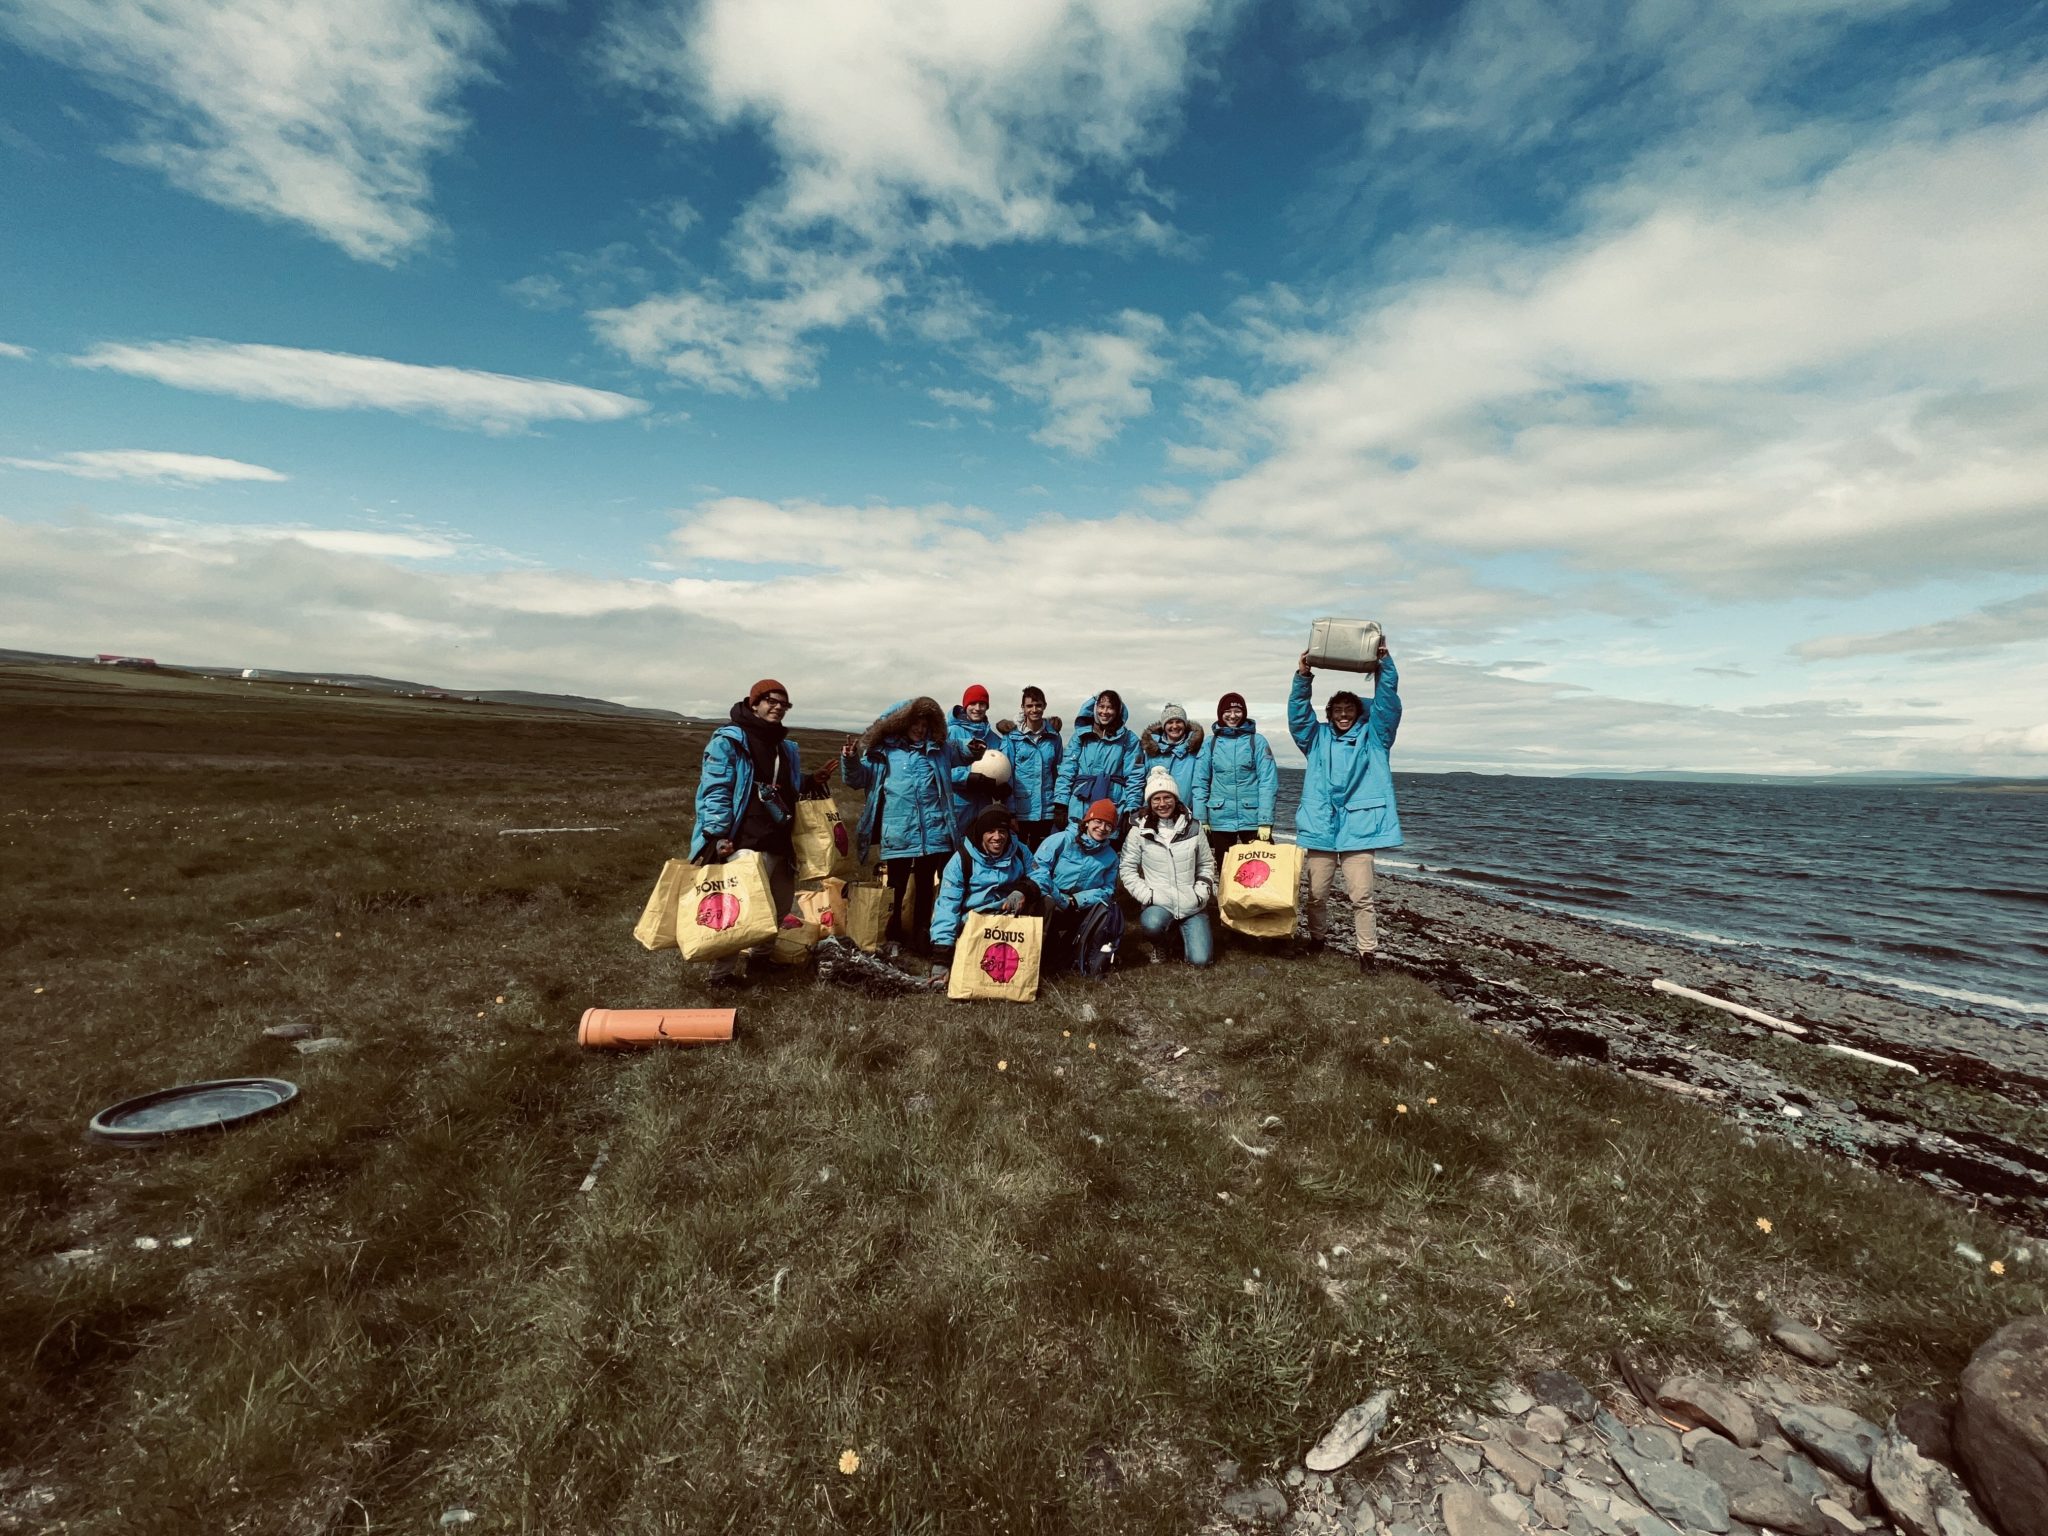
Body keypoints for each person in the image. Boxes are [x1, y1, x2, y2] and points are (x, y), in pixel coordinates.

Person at [691, 678, 835, 985]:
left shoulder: (783, 746)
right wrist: (716, 835)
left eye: (784, 704)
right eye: (771, 701)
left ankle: (760, 961)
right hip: (745, 838)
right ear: (754, 702)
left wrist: (811, 780)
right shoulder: (729, 740)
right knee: (739, 907)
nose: (778, 707)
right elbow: (715, 789)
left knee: (779, 905)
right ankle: (721, 975)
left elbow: (787, 786)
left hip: (780, 839)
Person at [1288, 640, 1402, 970]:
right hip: (1321, 825)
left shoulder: (1376, 737)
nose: (1342, 715)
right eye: (1337, 711)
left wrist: (1385, 665)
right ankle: (1317, 941)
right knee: (1316, 895)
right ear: (1329, 714)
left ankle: (1367, 953)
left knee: (1361, 897)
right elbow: (1298, 716)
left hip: (1361, 829)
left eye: (1348, 710)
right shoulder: (1315, 738)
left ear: (1358, 712)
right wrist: (1302, 675)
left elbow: (1388, 706)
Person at [841, 697, 955, 958]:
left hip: (933, 832)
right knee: (896, 885)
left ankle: (921, 935)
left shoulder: (938, 750)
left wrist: (974, 750)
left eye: (925, 724)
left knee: (926, 885)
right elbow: (857, 780)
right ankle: (892, 935)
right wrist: (850, 759)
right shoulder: (883, 754)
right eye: (915, 723)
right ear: (902, 724)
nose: (920, 728)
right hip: (898, 832)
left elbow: (962, 753)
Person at [930, 805, 1043, 981]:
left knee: (1047, 903)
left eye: (1002, 831)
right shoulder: (961, 859)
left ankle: (1039, 963)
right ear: (981, 833)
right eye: (990, 831)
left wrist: (1023, 890)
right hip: (975, 921)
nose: (997, 837)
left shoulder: (1020, 851)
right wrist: (941, 957)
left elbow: (1041, 876)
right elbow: (947, 906)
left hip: (1011, 915)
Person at [1119, 766, 1217, 966]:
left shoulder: (1194, 828)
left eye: (1167, 797)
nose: (1162, 804)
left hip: (1192, 903)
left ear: (1176, 799)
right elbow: (1127, 868)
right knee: (1152, 924)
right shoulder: (1139, 830)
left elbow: (1206, 864)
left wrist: (1201, 893)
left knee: (1201, 961)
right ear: (1149, 802)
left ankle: (1181, 934)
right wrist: (1148, 896)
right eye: (1156, 799)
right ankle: (1161, 944)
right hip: (1159, 903)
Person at [1034, 798, 1124, 976]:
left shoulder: (1111, 857)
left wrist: (1076, 901)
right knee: (1047, 904)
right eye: (1098, 821)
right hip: (1052, 899)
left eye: (1108, 825)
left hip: (1081, 905)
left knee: (1107, 910)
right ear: (1087, 821)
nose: (1102, 828)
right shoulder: (1061, 840)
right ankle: (1041, 956)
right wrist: (1060, 897)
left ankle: (1080, 954)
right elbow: (1038, 871)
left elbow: (1108, 890)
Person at [1193, 690, 1279, 867]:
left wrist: (1265, 821)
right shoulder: (1210, 743)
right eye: (1227, 712)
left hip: (1253, 819)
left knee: (1261, 870)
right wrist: (1202, 818)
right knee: (1225, 869)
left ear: (1244, 713)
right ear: (1220, 714)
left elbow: (1268, 783)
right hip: (1220, 819)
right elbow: (1200, 783)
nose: (1233, 716)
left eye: (1237, 711)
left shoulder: (1258, 741)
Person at [1053, 689, 1144, 832]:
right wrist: (1061, 803)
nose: (1105, 712)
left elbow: (1134, 776)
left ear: (1118, 711)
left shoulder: (1128, 739)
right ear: (1095, 708)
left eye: (1110, 707)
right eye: (1101, 707)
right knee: (1077, 842)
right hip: (1081, 801)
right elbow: (1067, 769)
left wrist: (1131, 809)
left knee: (1107, 842)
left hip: (1114, 801)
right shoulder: (1081, 736)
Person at [999, 686, 1063, 850]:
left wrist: (1060, 806)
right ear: (1023, 708)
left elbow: (1059, 773)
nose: (1034, 710)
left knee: (1043, 858)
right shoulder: (1012, 737)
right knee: (1019, 857)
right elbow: (1008, 776)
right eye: (1029, 706)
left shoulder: (1054, 737)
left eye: (1038, 705)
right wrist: (1011, 813)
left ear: (1044, 706)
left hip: (1046, 810)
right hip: (1021, 811)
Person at [947, 684, 1004, 834]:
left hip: (984, 807)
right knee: (957, 851)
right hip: (958, 805)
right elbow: (941, 770)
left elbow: (1001, 769)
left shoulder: (994, 739)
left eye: (982, 704)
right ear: (965, 706)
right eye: (972, 703)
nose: (977, 708)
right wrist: (967, 778)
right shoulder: (951, 733)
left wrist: (1000, 785)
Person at [1140, 704, 1204, 810]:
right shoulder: (1151, 751)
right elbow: (1141, 782)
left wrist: (1199, 816)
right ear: (1164, 726)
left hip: (1186, 813)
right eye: (1170, 722)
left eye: (1178, 722)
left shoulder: (1195, 751)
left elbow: (1200, 786)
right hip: (1155, 813)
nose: (1174, 726)